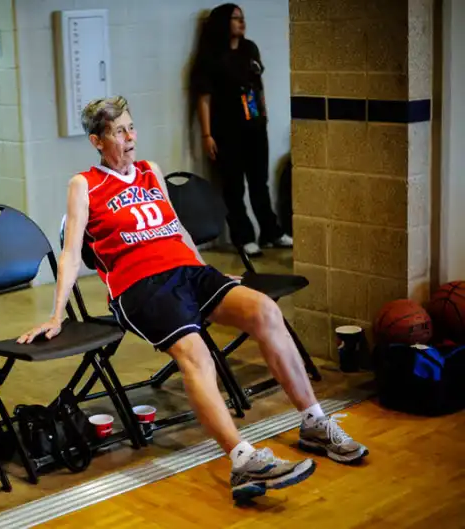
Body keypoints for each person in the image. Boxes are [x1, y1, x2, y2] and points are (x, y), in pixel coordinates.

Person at [18, 97, 368, 502]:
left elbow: (178, 228)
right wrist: (57, 313)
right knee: (198, 355)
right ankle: (243, 460)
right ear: (97, 141)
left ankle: (314, 422)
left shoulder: (150, 171)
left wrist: (209, 274)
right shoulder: (84, 184)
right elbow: (70, 253)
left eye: (131, 127)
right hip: (141, 286)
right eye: (118, 132)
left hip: (189, 272)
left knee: (266, 310)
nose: (130, 138)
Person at [186, 3, 292, 258]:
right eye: (235, 18)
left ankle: (271, 231)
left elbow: (258, 84)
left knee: (259, 183)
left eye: (242, 17)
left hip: (254, 125)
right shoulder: (211, 57)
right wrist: (206, 135)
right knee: (233, 186)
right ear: (223, 22)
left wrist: (263, 116)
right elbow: (204, 98)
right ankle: (243, 237)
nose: (241, 22)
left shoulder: (249, 49)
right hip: (227, 130)